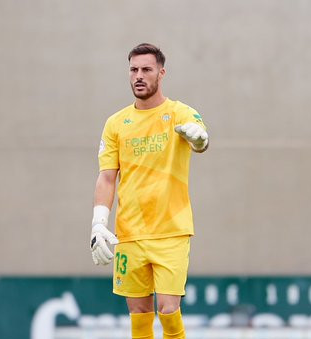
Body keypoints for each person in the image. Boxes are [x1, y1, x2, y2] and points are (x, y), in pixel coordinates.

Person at [90, 43, 209, 339]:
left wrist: (198, 139)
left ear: (161, 73)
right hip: (129, 233)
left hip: (171, 230)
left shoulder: (180, 113)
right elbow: (107, 177)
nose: (139, 76)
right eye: (133, 70)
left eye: (146, 69)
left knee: (169, 311)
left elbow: (201, 139)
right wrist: (98, 224)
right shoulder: (116, 123)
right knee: (140, 315)